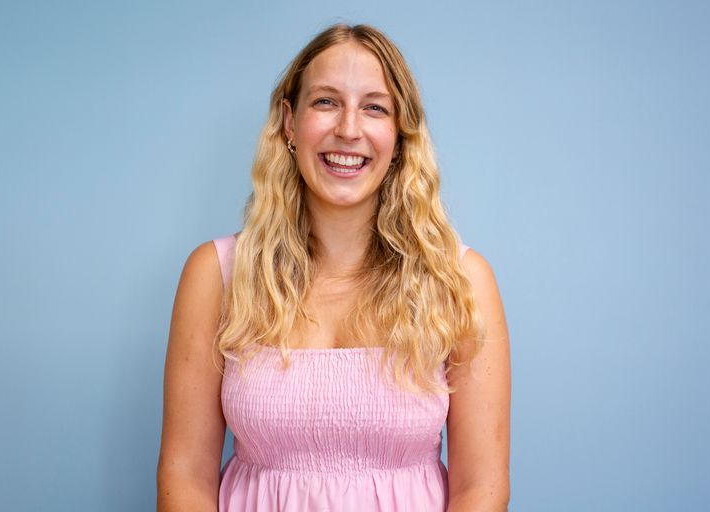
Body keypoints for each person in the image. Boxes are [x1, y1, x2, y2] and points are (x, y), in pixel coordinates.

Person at [157, 23, 511, 512]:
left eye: (374, 107)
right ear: (289, 122)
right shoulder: (216, 276)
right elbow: (184, 477)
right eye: (326, 102)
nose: (348, 129)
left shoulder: (461, 281)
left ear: (400, 134)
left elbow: (482, 489)